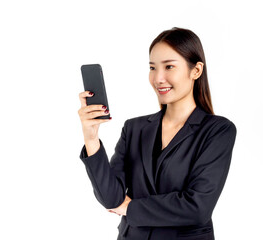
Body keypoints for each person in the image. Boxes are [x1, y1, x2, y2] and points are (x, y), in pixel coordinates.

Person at [77, 27, 237, 240]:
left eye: (169, 66)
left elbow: (198, 207)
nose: (158, 78)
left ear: (196, 71)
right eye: (152, 68)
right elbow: (111, 198)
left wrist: (131, 208)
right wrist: (91, 137)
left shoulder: (217, 130)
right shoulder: (134, 128)